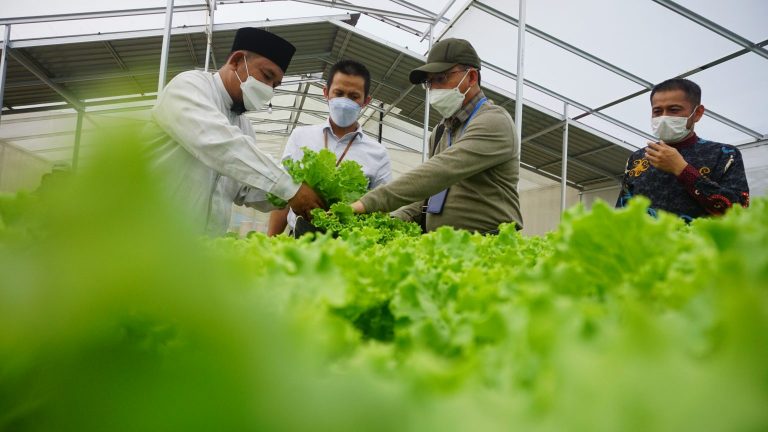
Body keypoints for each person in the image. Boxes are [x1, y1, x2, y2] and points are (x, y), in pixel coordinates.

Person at [144, 27, 324, 234]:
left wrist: (293, 195)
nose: (269, 90)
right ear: (237, 60)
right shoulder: (189, 86)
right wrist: (290, 187)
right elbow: (217, 143)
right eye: (266, 76)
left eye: (274, 85)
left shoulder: (243, 126)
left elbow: (244, 188)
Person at [349, 38, 523, 234]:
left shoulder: (493, 121)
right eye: (429, 82)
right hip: (441, 247)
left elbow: (439, 172)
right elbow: (427, 197)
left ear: (472, 77)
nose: (434, 89)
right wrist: (388, 223)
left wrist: (366, 203)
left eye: (441, 78)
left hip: (487, 246)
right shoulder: (441, 131)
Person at [267, 60, 391, 236]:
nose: (345, 101)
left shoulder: (378, 153)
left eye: (354, 96)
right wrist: (271, 240)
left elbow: (382, 207)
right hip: (299, 238)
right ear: (326, 92)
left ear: (365, 101)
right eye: (339, 93)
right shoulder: (301, 136)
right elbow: (282, 194)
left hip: (348, 245)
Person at [616, 78, 749, 221]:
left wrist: (683, 170)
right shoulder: (639, 157)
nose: (664, 117)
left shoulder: (724, 154)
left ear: (697, 113)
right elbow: (623, 209)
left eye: (673, 110)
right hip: (645, 242)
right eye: (657, 111)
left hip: (698, 242)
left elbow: (739, 209)